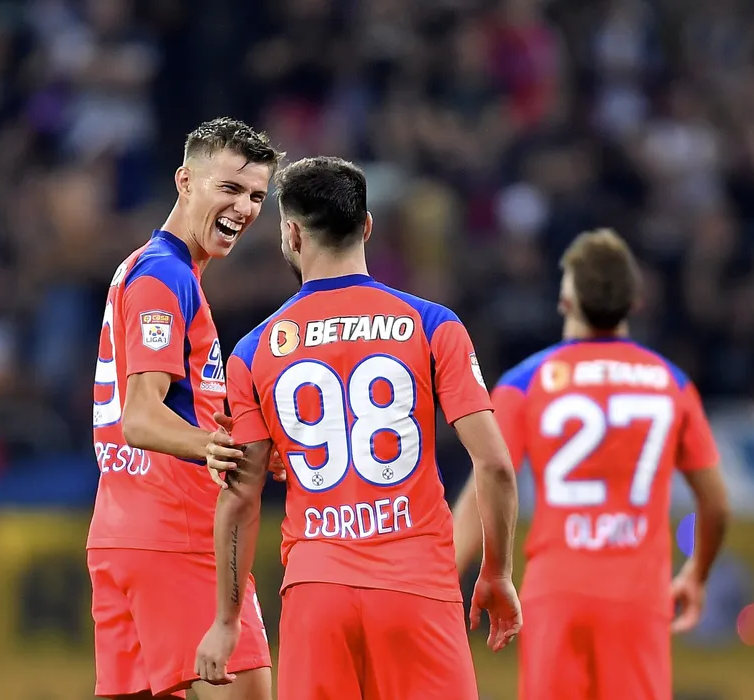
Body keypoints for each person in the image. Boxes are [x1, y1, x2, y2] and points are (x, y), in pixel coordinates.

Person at [194, 156, 523, 700]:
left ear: (291, 234)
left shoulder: (253, 351)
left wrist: (227, 620)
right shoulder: (433, 325)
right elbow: (495, 466)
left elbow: (239, 497)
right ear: (366, 226)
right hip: (416, 587)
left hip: (317, 591)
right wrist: (497, 572)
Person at [450, 229, 731, 700]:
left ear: (566, 302)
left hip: (556, 594)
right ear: (635, 303)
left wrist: (443, 583)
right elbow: (716, 504)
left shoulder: (524, 382)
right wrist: (696, 574)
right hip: (638, 598)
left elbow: (487, 487)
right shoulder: (672, 383)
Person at [88, 117, 283, 700]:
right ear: (184, 181)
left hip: (121, 530)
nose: (244, 208)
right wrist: (225, 451)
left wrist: (233, 435)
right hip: (180, 534)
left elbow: (174, 407)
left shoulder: (143, 267)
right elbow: (141, 416)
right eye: (230, 188)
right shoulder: (164, 276)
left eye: (256, 196)